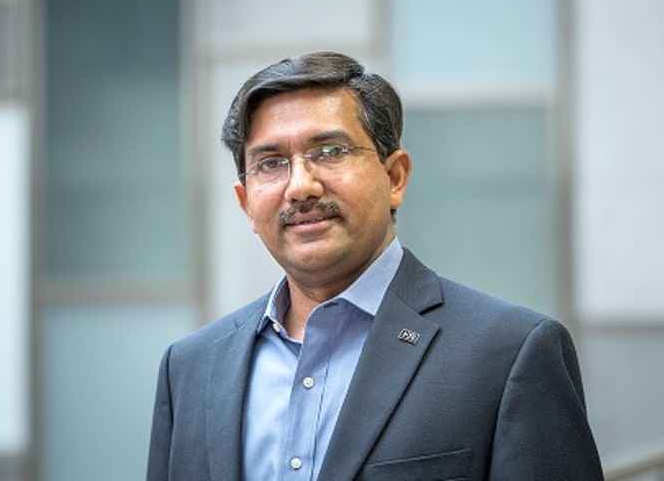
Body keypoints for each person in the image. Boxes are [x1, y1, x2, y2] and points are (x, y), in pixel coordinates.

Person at [147, 51, 603, 480]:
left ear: (395, 177)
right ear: (246, 203)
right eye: (271, 163)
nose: (300, 186)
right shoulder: (190, 369)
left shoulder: (509, 354)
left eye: (330, 151)